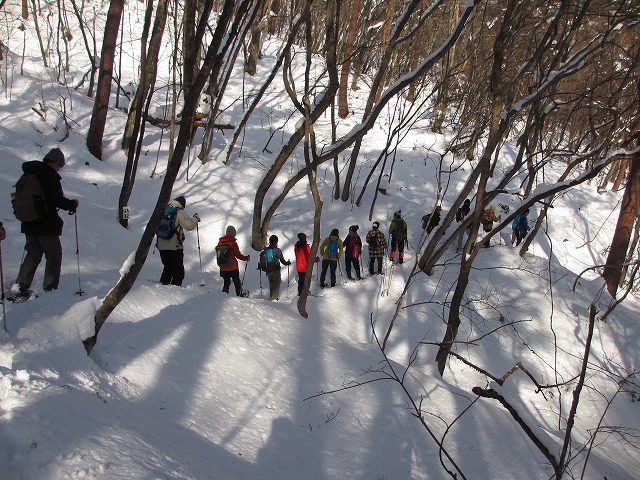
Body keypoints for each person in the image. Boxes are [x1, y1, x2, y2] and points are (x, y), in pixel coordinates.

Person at [12, 148, 79, 300]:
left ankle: (21, 286)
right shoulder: (49, 176)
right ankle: (50, 290)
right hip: (46, 223)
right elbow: (56, 199)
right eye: (60, 166)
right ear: (55, 163)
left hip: (28, 221)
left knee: (33, 253)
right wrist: (72, 204)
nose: (60, 169)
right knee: (54, 254)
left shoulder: (29, 173)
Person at [156, 196, 200, 286]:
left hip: (161, 245)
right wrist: (195, 219)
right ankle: (174, 291)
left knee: (167, 267)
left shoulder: (163, 209)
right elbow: (189, 225)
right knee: (178, 272)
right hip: (174, 246)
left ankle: (162, 287)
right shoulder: (179, 211)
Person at [216, 225, 250, 296]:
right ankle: (239, 295)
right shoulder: (233, 243)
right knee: (236, 282)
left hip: (223, 267)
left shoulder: (220, 243)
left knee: (226, 282)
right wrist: (245, 258)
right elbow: (238, 255)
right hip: (232, 267)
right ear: (233, 233)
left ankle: (224, 296)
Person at [261, 235, 291, 301]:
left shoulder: (266, 249)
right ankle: (273, 300)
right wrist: (287, 263)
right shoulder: (277, 251)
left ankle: (271, 297)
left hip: (268, 271)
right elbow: (282, 261)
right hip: (276, 271)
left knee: (271, 284)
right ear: (276, 241)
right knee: (276, 285)